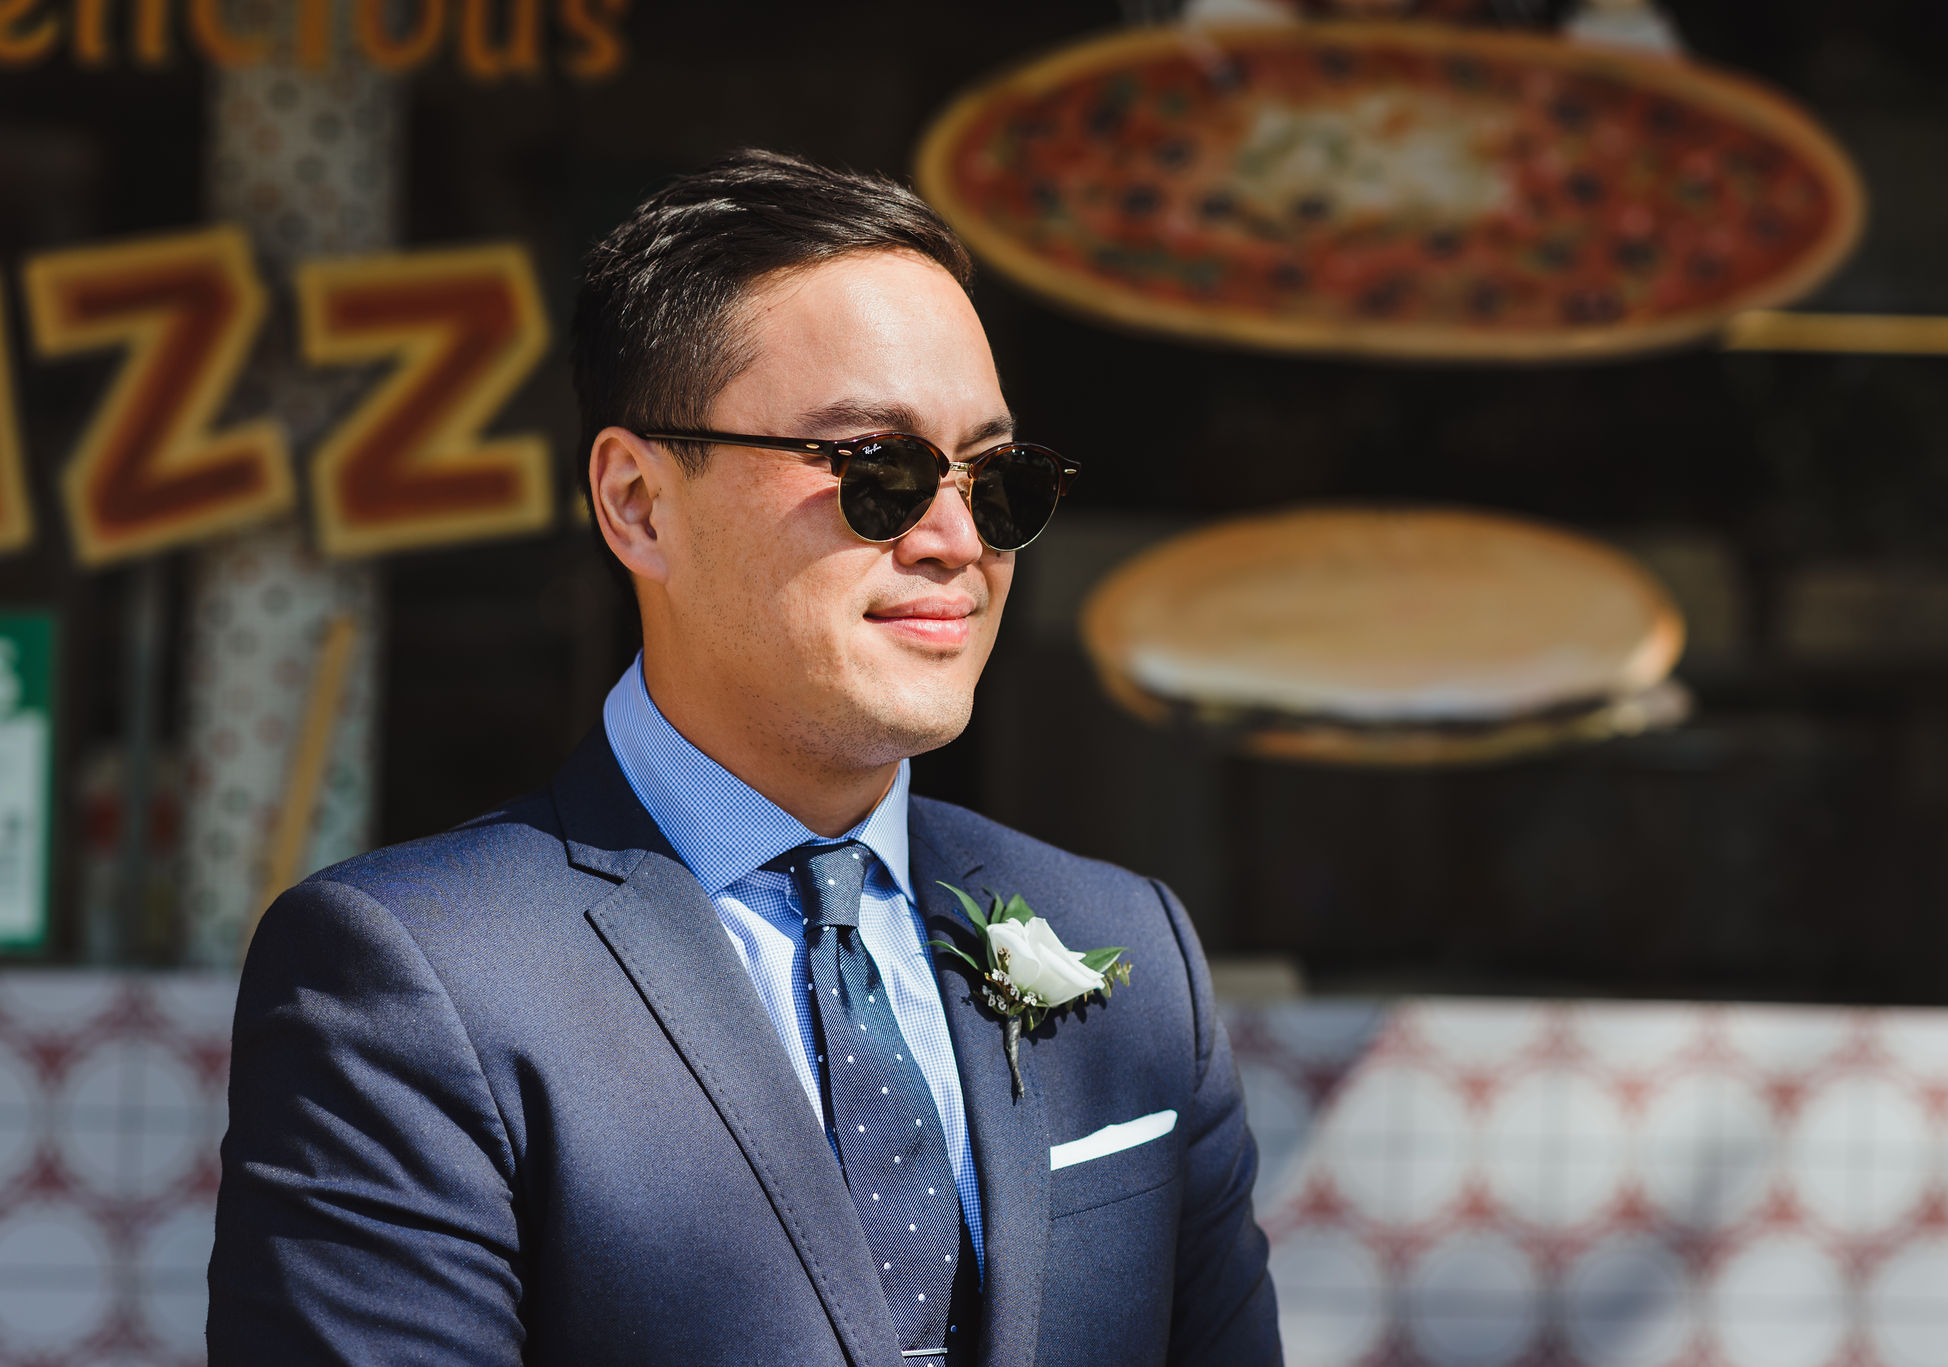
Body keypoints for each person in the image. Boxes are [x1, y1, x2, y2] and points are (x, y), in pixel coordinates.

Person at [208, 149, 1280, 1367]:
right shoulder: (411, 980)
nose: (953, 539)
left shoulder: (1130, 947)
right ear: (637, 502)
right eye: (877, 470)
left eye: (997, 480)